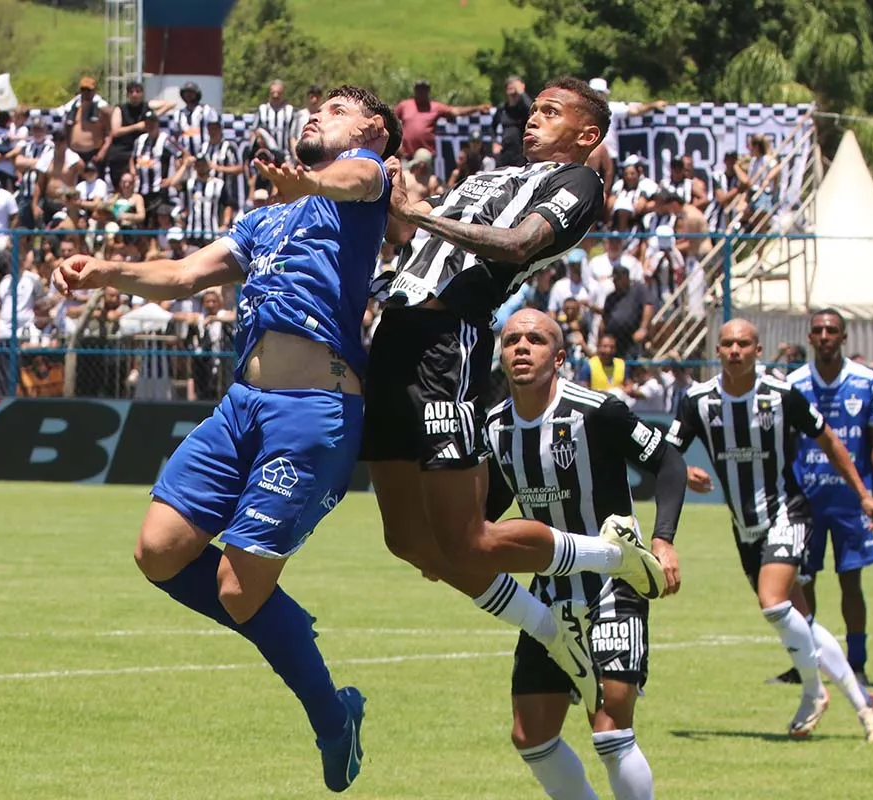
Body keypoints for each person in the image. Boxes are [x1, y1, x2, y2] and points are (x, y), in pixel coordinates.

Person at [50, 85, 401, 793]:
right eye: (314, 109)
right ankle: (284, 619)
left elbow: (355, 177)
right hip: (242, 405)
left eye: (335, 109)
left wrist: (312, 179)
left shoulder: (367, 183)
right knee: (158, 551)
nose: (316, 116)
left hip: (313, 411)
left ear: (375, 130)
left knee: (241, 592)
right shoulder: (267, 221)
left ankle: (333, 718)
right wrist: (107, 271)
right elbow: (182, 275)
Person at [368, 76, 664, 715]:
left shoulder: (579, 184)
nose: (533, 120)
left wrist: (421, 211)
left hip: (449, 342)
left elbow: (520, 244)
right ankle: (557, 635)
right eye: (533, 110)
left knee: (467, 540)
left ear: (587, 135)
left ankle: (612, 554)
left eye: (550, 112)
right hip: (393, 333)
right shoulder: (488, 179)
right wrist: (398, 196)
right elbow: (412, 241)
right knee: (407, 541)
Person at [484, 309, 688, 800]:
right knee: (530, 735)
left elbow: (668, 462)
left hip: (615, 580)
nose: (521, 347)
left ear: (558, 357)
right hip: (550, 590)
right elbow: (488, 508)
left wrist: (662, 538)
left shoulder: (598, 411)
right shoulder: (493, 428)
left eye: (535, 339)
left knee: (610, 727)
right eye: (512, 339)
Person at [670, 319, 873, 742]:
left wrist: (863, 492)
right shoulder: (697, 401)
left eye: (743, 344)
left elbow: (828, 439)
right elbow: (663, 454)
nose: (735, 350)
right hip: (744, 526)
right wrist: (682, 471)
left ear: (758, 351)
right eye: (727, 343)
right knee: (801, 618)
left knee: (772, 603)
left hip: (787, 511)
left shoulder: (782, 394)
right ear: (719, 350)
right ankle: (865, 705)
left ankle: (812, 693)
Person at [774, 309, 873, 688]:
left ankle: (857, 663)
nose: (824, 336)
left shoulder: (866, 381)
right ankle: (804, 664)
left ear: (844, 337)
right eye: (818, 330)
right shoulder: (794, 384)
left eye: (832, 331)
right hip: (805, 500)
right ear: (809, 338)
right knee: (801, 582)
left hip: (850, 502)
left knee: (850, 581)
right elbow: (785, 444)